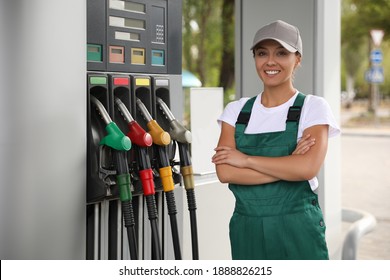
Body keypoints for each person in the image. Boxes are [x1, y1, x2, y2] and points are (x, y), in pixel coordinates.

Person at [212, 20, 340, 260]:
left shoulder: (313, 107)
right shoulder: (236, 111)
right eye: (262, 53)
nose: (270, 61)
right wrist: (289, 163)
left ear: (297, 59)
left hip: (298, 227)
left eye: (281, 53)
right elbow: (226, 173)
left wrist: (245, 159)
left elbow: (307, 168)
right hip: (246, 229)